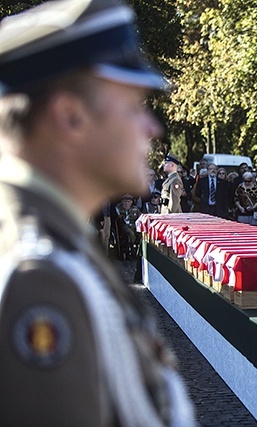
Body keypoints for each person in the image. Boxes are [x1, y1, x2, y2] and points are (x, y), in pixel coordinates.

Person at [0, 0, 194, 425]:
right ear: (71, 117)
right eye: (133, 106)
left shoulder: (57, 248)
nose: (152, 128)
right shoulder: (39, 277)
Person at [115, 194, 142, 259]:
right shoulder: (118, 209)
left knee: (141, 233)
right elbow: (118, 220)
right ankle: (130, 249)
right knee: (131, 234)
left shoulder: (135, 209)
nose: (126, 204)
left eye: (128, 202)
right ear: (122, 202)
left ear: (131, 202)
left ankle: (139, 250)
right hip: (124, 226)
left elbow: (140, 217)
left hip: (134, 225)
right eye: (125, 201)